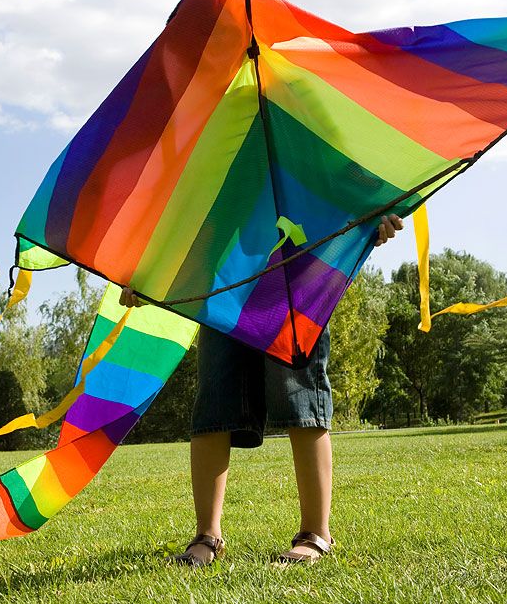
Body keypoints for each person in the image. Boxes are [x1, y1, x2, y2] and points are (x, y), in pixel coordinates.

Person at [120, 213, 404, 567]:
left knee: (299, 390)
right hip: (225, 274)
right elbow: (187, 200)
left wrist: (372, 216)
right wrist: (152, 272)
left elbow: (348, 172)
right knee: (215, 396)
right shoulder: (215, 159)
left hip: (299, 263)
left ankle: (316, 533)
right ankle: (207, 536)